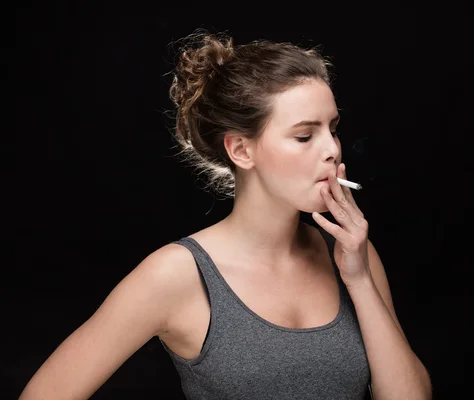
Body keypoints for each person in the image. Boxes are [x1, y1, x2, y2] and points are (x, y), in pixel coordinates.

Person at [19, 30, 431, 400]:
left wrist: (358, 278)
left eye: (333, 128)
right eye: (305, 135)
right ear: (241, 151)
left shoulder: (352, 255)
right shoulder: (177, 274)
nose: (332, 150)